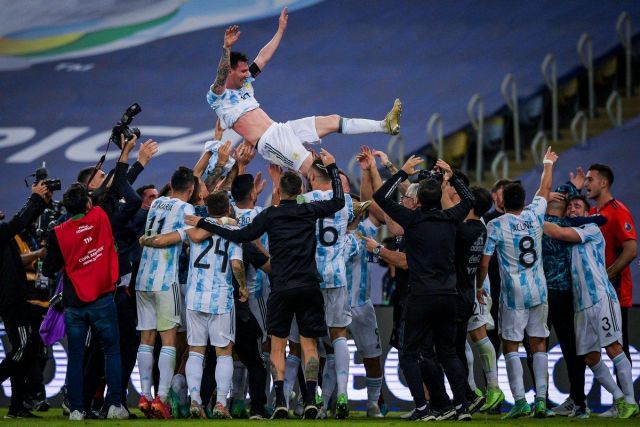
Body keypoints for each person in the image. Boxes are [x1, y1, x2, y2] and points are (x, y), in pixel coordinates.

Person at [184, 148, 344, 420]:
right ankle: (310, 401)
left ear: (279, 192)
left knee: (278, 345)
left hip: (281, 288)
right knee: (309, 346)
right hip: (308, 286)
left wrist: (206, 223)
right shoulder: (309, 210)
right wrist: (333, 168)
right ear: (300, 191)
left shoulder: (271, 215)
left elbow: (242, 235)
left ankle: (280, 398)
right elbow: (339, 201)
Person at [206, 9, 402, 175]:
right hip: (269, 142)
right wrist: (226, 48)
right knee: (315, 171)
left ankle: (384, 126)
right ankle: (340, 206)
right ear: (230, 71)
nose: (247, 73)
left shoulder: (246, 83)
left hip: (280, 129)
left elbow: (263, 58)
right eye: (242, 71)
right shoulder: (217, 96)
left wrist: (280, 30)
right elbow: (221, 75)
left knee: (333, 121)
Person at [373, 156, 474, 421]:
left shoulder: (412, 221)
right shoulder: (451, 218)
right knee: (449, 352)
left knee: (409, 354)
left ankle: (422, 408)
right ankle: (462, 406)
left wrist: (402, 173)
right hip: (448, 295)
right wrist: (450, 176)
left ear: (417, 201)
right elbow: (470, 201)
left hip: (420, 295)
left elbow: (380, 197)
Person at [140, 191, 249, 419]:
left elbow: (175, 242)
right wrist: (242, 286)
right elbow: (237, 264)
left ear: (207, 209)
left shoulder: (194, 231)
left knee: (196, 352)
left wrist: (146, 240)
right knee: (223, 353)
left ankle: (195, 401)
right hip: (220, 299)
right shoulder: (232, 231)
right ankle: (220, 403)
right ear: (228, 209)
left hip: (194, 298)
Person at [477, 147, 558, 419]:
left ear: (501, 202)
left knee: (511, 345)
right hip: (539, 291)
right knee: (538, 344)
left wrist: (479, 286)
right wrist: (547, 163)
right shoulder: (536, 214)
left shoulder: (496, 225)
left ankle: (521, 401)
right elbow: (545, 189)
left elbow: (485, 262)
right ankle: (543, 400)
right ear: (524, 200)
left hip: (513, 295)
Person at [543, 194, 639, 419]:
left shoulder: (590, 229)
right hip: (581, 306)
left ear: (588, 212)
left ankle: (631, 402)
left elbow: (558, 232)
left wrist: (529, 217)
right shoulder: (571, 234)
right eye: (570, 207)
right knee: (590, 358)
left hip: (601, 299)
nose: (572, 210)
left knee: (614, 348)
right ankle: (619, 399)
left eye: (578, 206)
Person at [42, 183, 128, 421]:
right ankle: (113, 405)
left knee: (76, 356)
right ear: (89, 204)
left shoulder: (57, 233)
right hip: (102, 300)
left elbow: (49, 269)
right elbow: (112, 194)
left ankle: (77, 409)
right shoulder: (100, 216)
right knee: (112, 352)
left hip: (74, 304)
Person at [135, 166, 198, 419]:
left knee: (146, 340)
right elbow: (176, 238)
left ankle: (144, 396)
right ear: (191, 190)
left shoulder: (158, 201)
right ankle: (161, 398)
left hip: (142, 280)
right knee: (169, 341)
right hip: (165, 281)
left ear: (171, 185)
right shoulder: (187, 210)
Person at [0, 182, 50, 419]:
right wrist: (35, 199)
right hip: (10, 301)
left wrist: (43, 203)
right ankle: (17, 404)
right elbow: (18, 222)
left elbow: (24, 222)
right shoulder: (2, 233)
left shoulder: (4, 235)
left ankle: (16, 407)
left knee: (29, 348)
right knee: (22, 347)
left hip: (19, 298)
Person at [584, 164, 637, 378]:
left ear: (603, 183)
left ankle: (627, 400)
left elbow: (631, 250)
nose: (586, 184)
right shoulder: (594, 212)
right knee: (595, 348)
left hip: (615, 290)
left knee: (618, 346)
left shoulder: (618, 212)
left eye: (590, 179)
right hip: (596, 291)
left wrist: (608, 274)